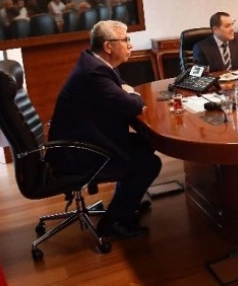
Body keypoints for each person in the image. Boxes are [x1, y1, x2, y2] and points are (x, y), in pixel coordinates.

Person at [47, 20, 162, 238]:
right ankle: (114, 223)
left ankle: (126, 204)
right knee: (149, 164)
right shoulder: (94, 73)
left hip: (86, 140)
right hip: (79, 153)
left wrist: (126, 92)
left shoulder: (95, 64)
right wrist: (131, 94)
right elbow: (132, 105)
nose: (130, 45)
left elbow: (121, 93)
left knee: (144, 143)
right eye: (126, 40)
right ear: (108, 46)